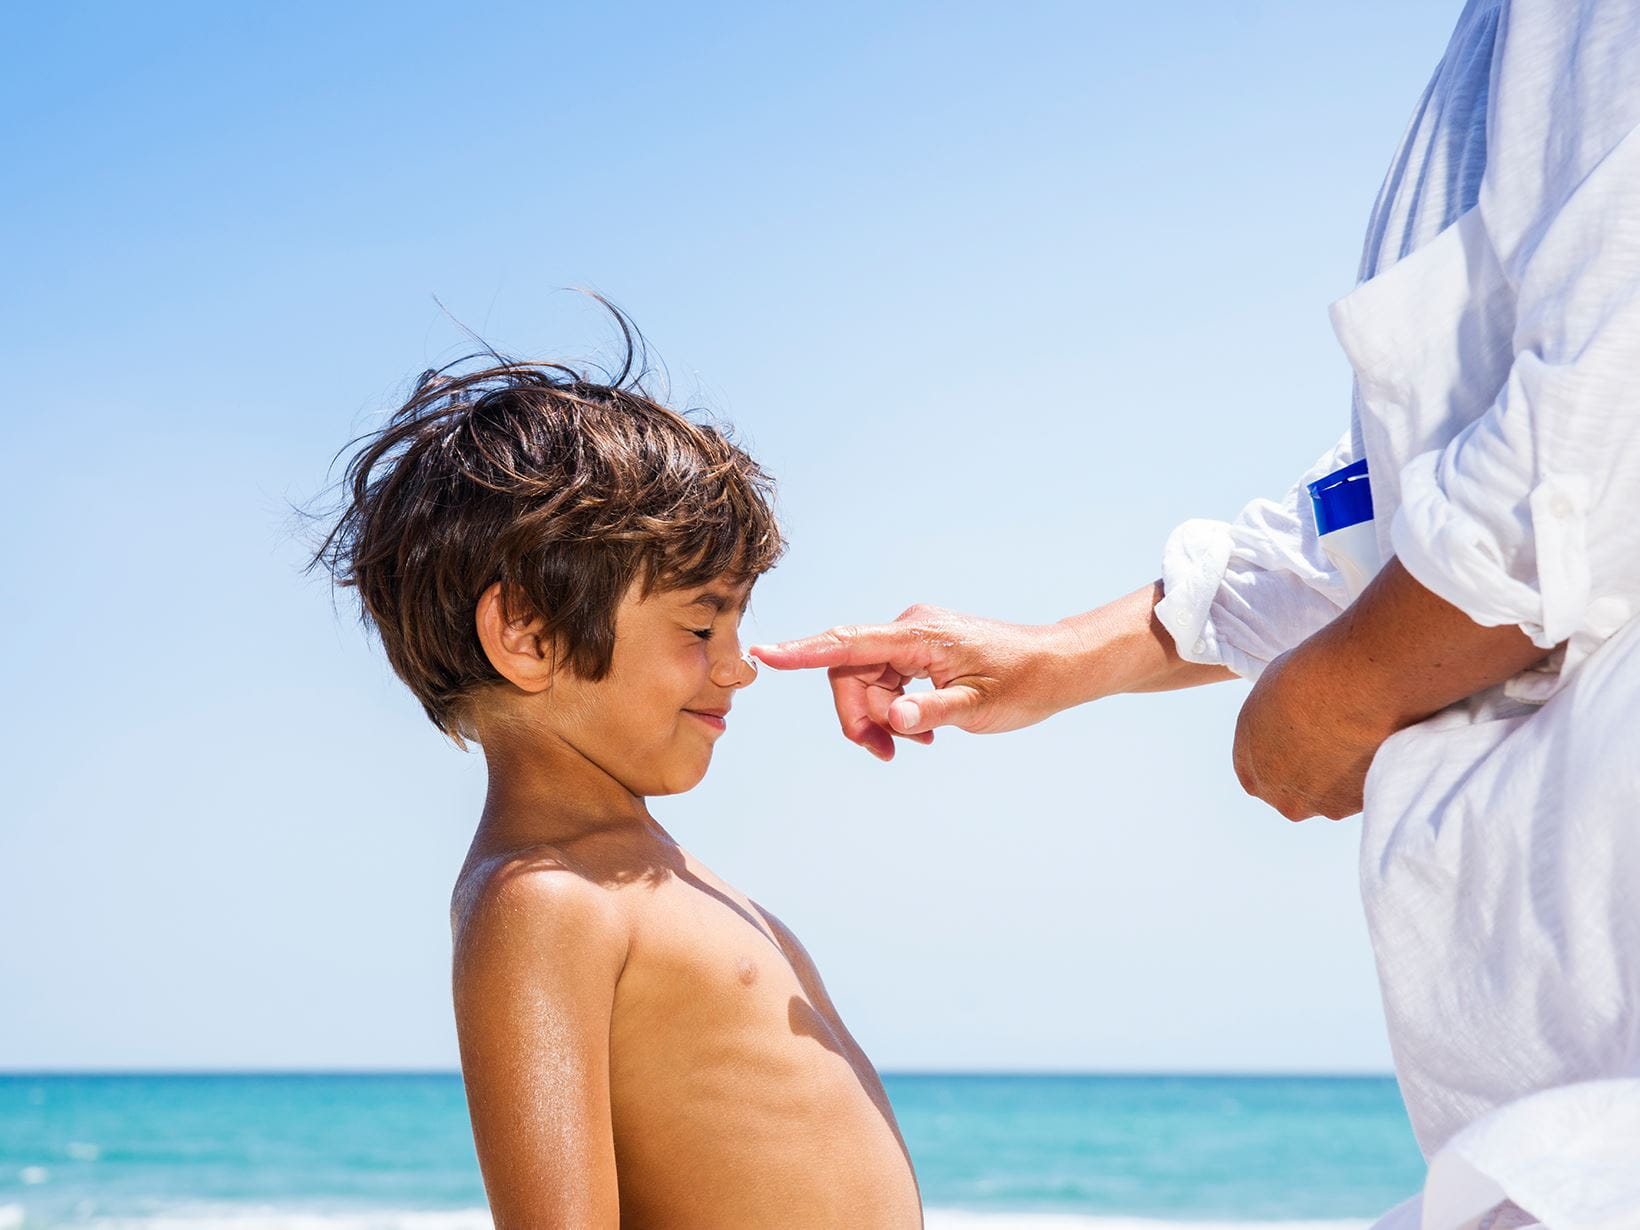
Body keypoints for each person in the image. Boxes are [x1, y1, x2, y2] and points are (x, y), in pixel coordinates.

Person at [753, 2, 1640, 1226]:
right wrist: (1067, 657)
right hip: (1545, 1120)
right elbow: (1390, 495)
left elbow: (1587, 453)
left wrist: (1333, 698)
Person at [311, 321, 921, 1228]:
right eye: (700, 625)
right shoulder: (545, 902)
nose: (739, 664)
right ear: (528, 635)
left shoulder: (644, 871)